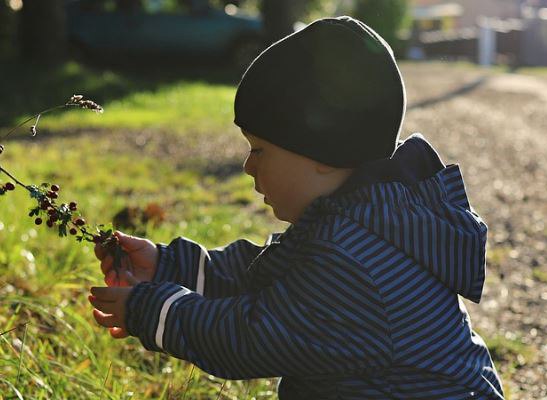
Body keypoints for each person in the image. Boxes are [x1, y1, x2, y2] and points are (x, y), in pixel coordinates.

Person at [89, 16, 504, 399]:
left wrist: (154, 310)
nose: (248, 166)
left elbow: (249, 338)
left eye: (260, 150)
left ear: (322, 154)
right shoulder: (359, 224)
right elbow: (266, 275)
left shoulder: (353, 263)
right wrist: (167, 264)